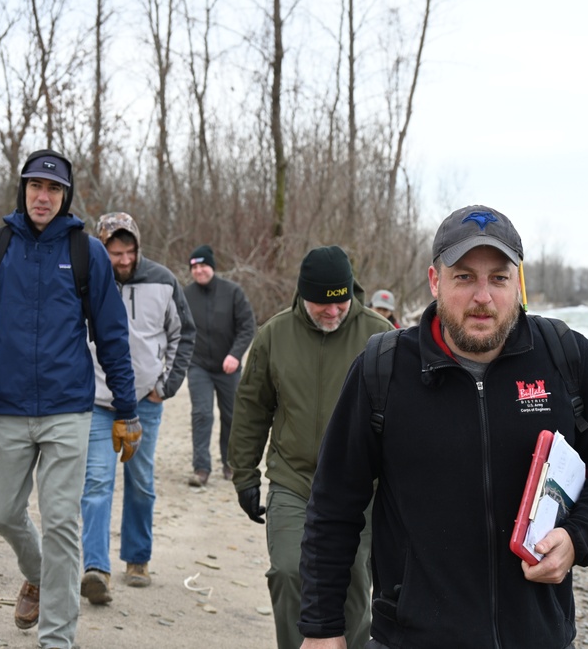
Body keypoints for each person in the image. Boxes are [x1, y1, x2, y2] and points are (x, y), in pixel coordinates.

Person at [297, 206, 588, 649]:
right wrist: (323, 627)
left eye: (498, 278)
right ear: (434, 280)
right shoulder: (382, 370)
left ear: (517, 284)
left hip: (538, 636)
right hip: (411, 637)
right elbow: (333, 504)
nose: (483, 297)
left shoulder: (565, 357)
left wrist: (578, 538)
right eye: (464, 277)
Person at [0, 150, 140, 649]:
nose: (43, 196)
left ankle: (57, 638)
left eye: (53, 189)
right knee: (3, 511)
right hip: (8, 406)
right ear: (23, 189)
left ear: (65, 196)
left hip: (67, 408)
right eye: (36, 186)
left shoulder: (86, 252)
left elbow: (112, 336)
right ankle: (37, 574)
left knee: (61, 522)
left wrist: (127, 410)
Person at [228, 246, 394, 649]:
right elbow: (252, 407)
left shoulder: (381, 337)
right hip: (294, 479)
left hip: (359, 487)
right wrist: (244, 475)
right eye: (323, 304)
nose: (333, 313)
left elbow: (404, 420)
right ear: (303, 296)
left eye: (341, 303)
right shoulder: (274, 335)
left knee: (354, 582)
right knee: (288, 571)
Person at [79, 212, 196, 604]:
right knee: (97, 482)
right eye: (115, 252)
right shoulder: (87, 280)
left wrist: (166, 387)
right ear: (101, 248)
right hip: (98, 401)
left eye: (130, 251)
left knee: (141, 482)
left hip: (146, 401)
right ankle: (96, 568)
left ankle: (137, 558)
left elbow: (184, 333)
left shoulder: (163, 280)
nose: (124, 259)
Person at [183, 244, 256, 486]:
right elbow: (177, 328)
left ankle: (230, 463)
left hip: (229, 367)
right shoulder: (185, 295)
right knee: (202, 414)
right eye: (194, 267)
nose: (199, 270)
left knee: (232, 416)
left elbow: (248, 326)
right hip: (198, 365)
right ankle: (201, 468)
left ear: (212, 267)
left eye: (203, 265)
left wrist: (235, 355)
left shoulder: (232, 292)